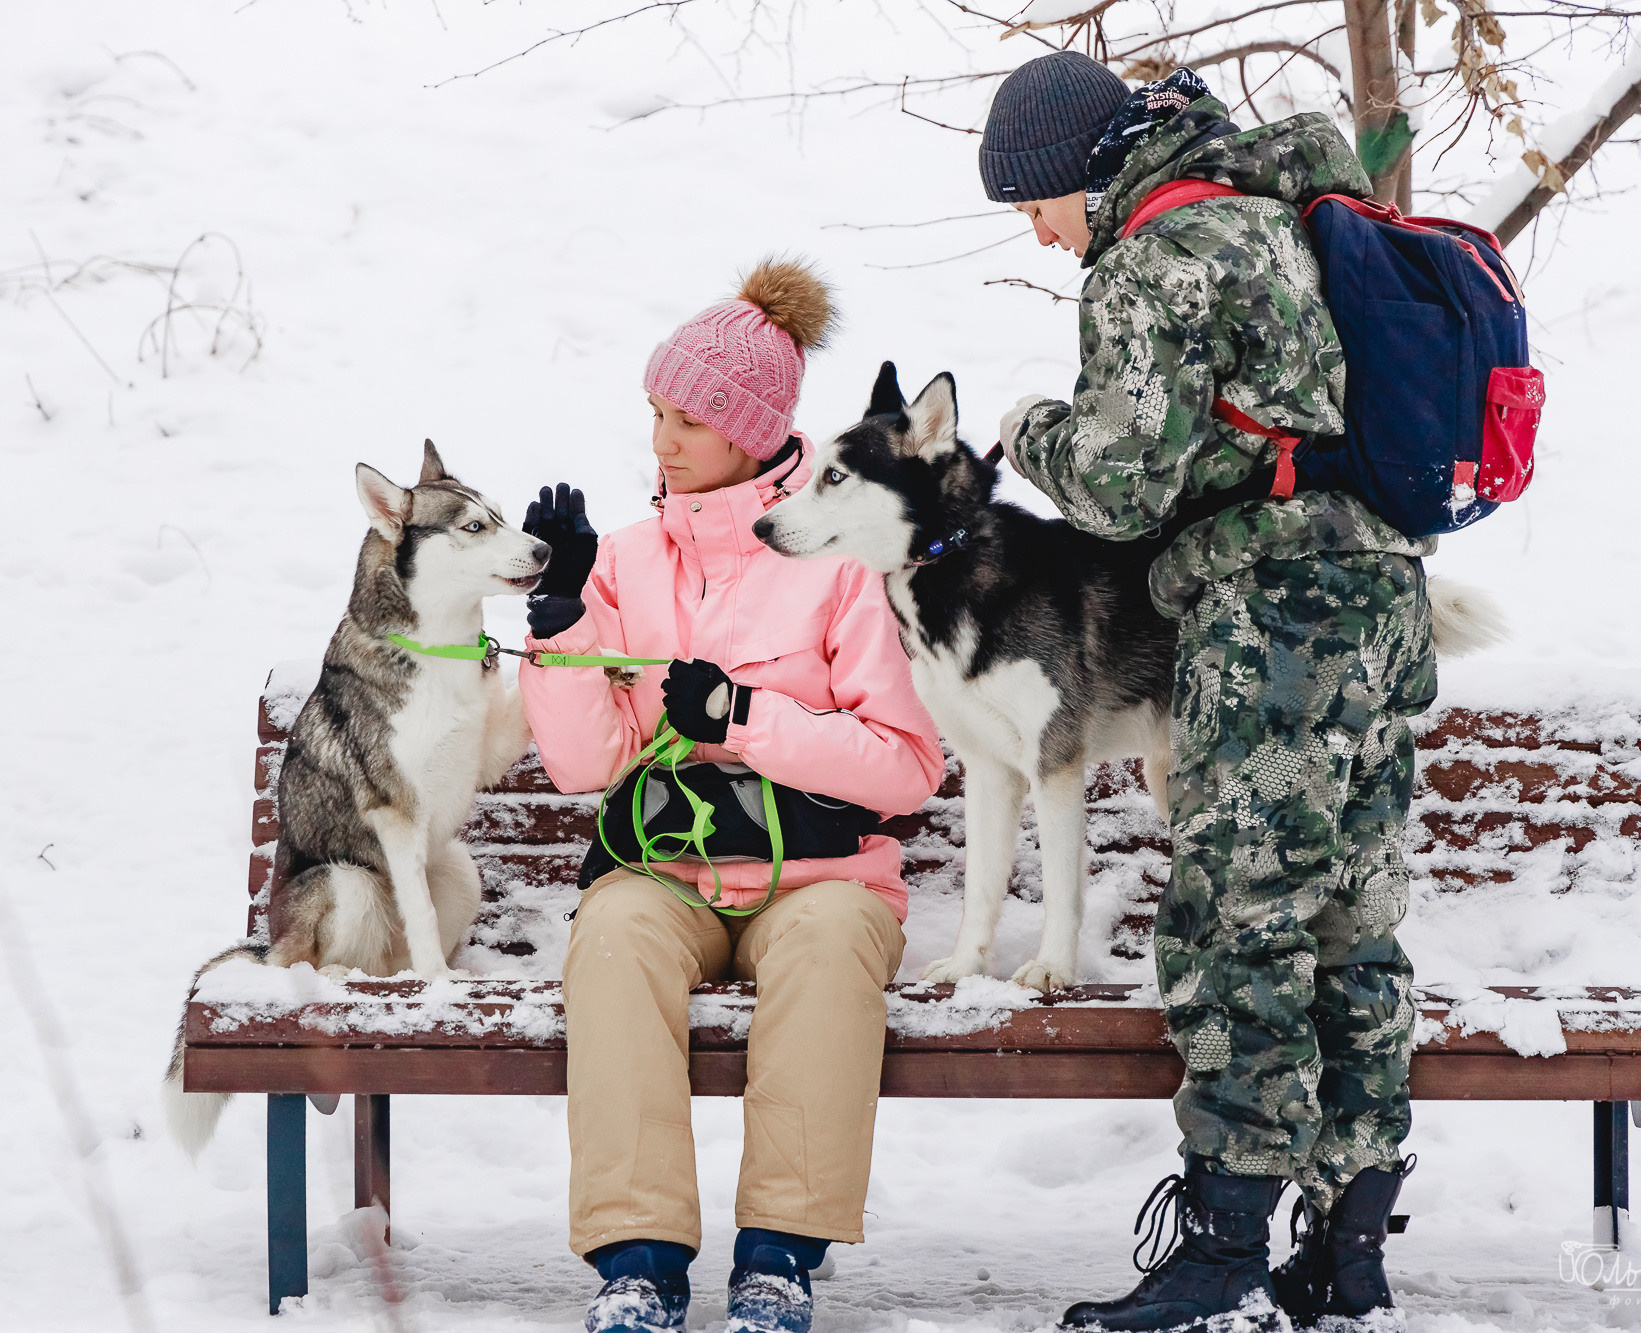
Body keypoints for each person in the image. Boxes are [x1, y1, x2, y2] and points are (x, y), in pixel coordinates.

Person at [979, 53, 1438, 1332]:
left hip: (1270, 625)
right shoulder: (1277, 212)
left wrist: (1030, 429)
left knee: (1240, 923)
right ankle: (1347, 1249)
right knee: (1348, 920)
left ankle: (1224, 1252)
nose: (1037, 231)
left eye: (1034, 203)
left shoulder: (1153, 257)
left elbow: (1120, 484)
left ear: (1081, 173)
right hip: (1377, 605)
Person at [517, 258, 945, 1333]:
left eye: (690, 421)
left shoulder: (838, 562)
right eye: (656, 414)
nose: (662, 442)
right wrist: (563, 621)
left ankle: (778, 1261)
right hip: (666, 873)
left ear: (752, 433)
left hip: (823, 876)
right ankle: (637, 1261)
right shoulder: (622, 562)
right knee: (612, 938)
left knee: (829, 947)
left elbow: (907, 765)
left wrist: (745, 719)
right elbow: (584, 764)